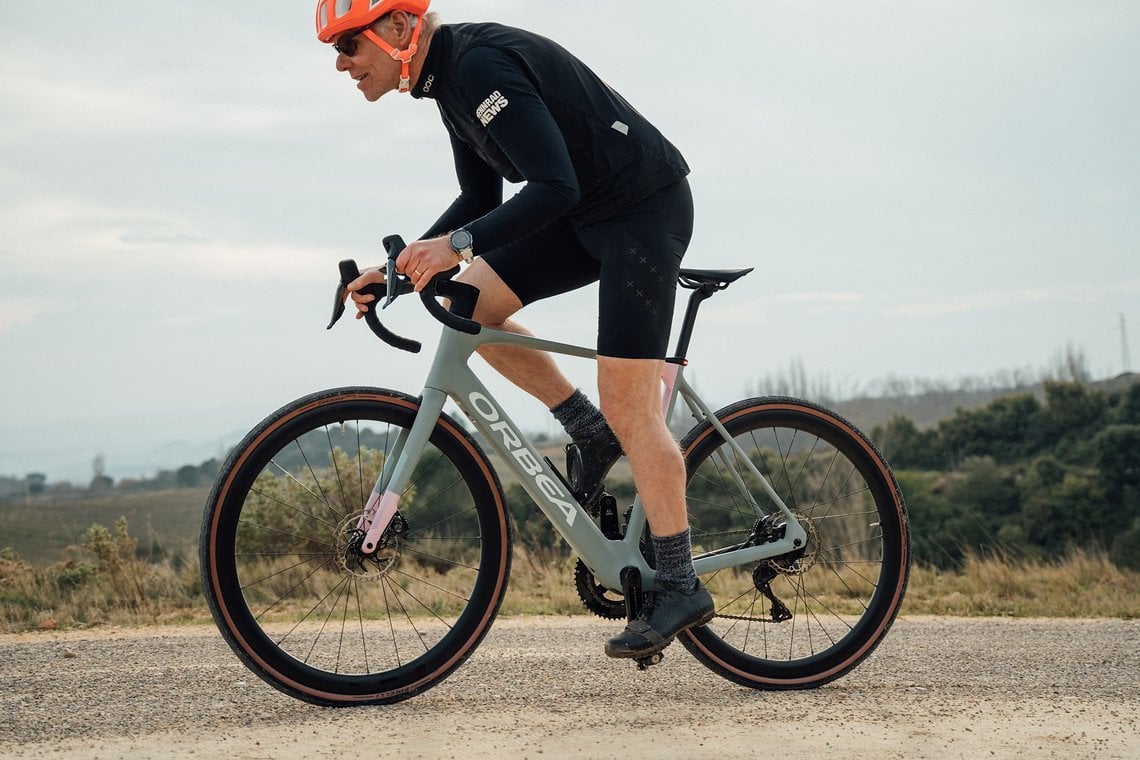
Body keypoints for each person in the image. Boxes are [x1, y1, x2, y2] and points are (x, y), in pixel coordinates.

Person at [316, 0, 714, 660]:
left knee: (630, 406)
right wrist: (393, 272)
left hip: (642, 209)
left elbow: (550, 186)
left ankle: (679, 580)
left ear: (395, 30)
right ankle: (586, 428)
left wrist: (456, 245)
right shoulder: (447, 82)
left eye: (348, 45)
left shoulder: (476, 66)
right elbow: (480, 203)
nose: (340, 63)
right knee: (468, 299)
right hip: (588, 214)